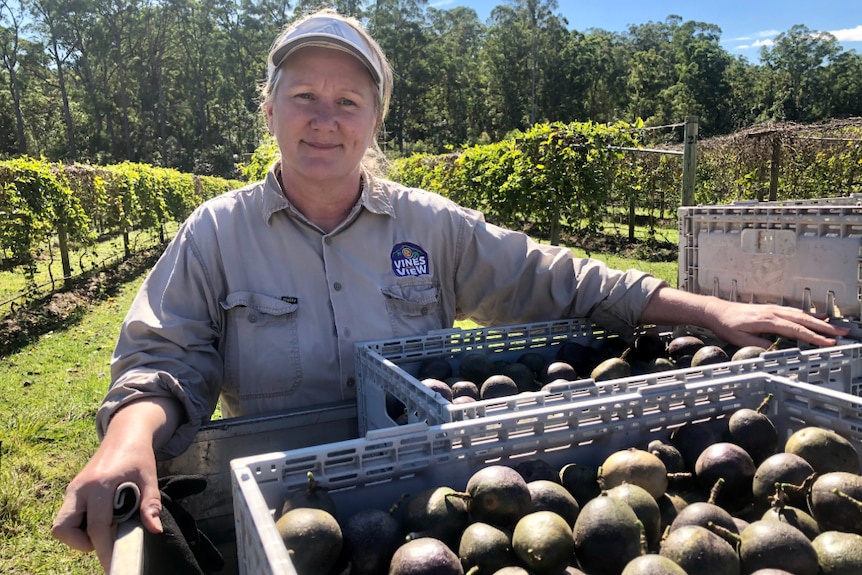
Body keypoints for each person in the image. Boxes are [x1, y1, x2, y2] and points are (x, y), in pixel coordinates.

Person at [51, 8, 848, 572]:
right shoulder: (216, 232)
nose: (324, 118)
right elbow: (167, 354)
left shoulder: (428, 226)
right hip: (289, 503)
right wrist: (127, 438)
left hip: (433, 506)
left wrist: (705, 308)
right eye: (303, 96)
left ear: (374, 120)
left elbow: (557, 277)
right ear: (268, 109)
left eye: (347, 101)